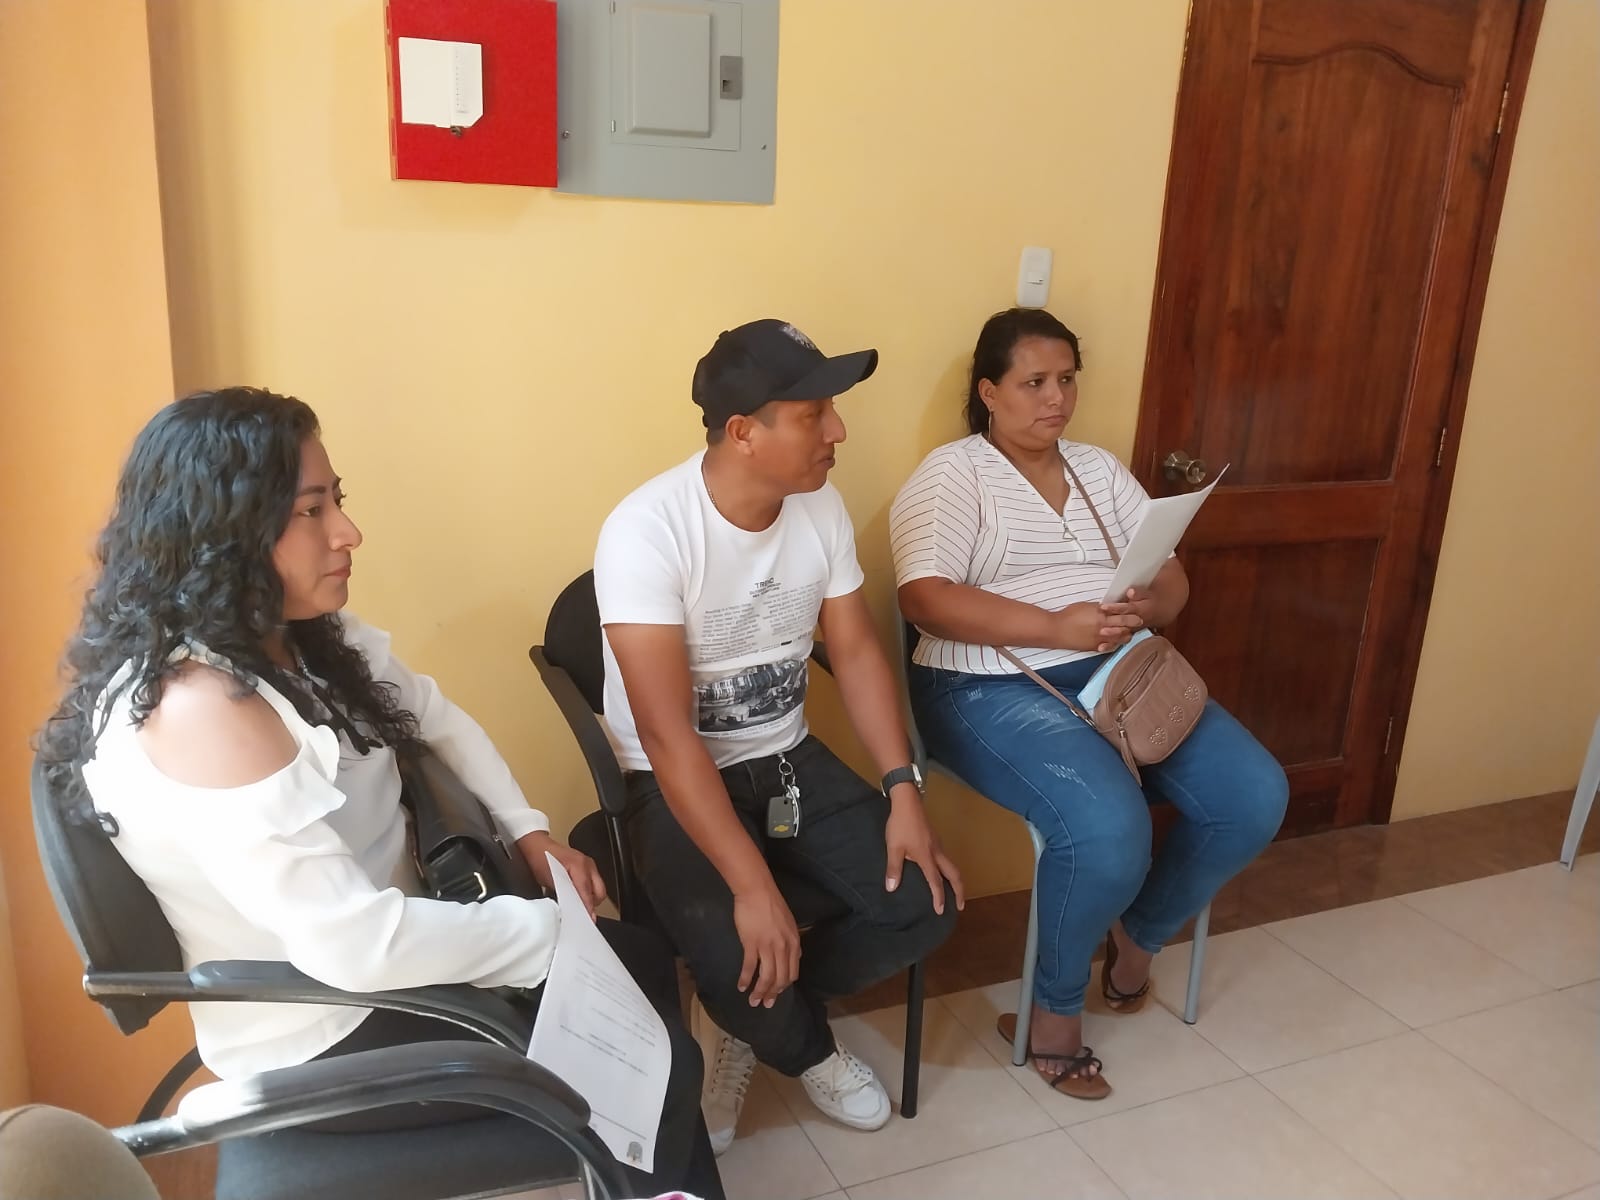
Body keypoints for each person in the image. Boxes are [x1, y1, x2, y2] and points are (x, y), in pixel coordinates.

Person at [38, 387, 722, 1199]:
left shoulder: (294, 637)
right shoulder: (203, 710)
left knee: (641, 963)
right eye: (311, 511)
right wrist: (545, 936)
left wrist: (528, 831)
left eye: (338, 500)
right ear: (226, 532)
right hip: (331, 1024)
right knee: (661, 1063)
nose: (347, 532)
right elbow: (352, 946)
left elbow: (435, 718)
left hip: (397, 954)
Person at [890, 308, 1287, 1099]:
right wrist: (1052, 626)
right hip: (986, 685)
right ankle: (1054, 1012)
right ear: (989, 392)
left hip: (1118, 671)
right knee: (1108, 828)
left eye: (1067, 380)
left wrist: (1151, 602)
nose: (1056, 399)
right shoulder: (953, 475)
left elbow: (1170, 577)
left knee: (1253, 795)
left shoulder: (1099, 470)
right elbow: (923, 598)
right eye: (1034, 382)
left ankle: (1137, 935)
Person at [595, 319, 964, 1154]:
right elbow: (667, 735)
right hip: (672, 776)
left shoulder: (818, 507)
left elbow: (856, 650)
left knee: (926, 902)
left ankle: (753, 1013)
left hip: (787, 761)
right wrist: (752, 888)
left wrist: (903, 789)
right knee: (736, 943)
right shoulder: (647, 530)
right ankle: (802, 1046)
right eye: (813, 415)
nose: (838, 431)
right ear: (743, 433)